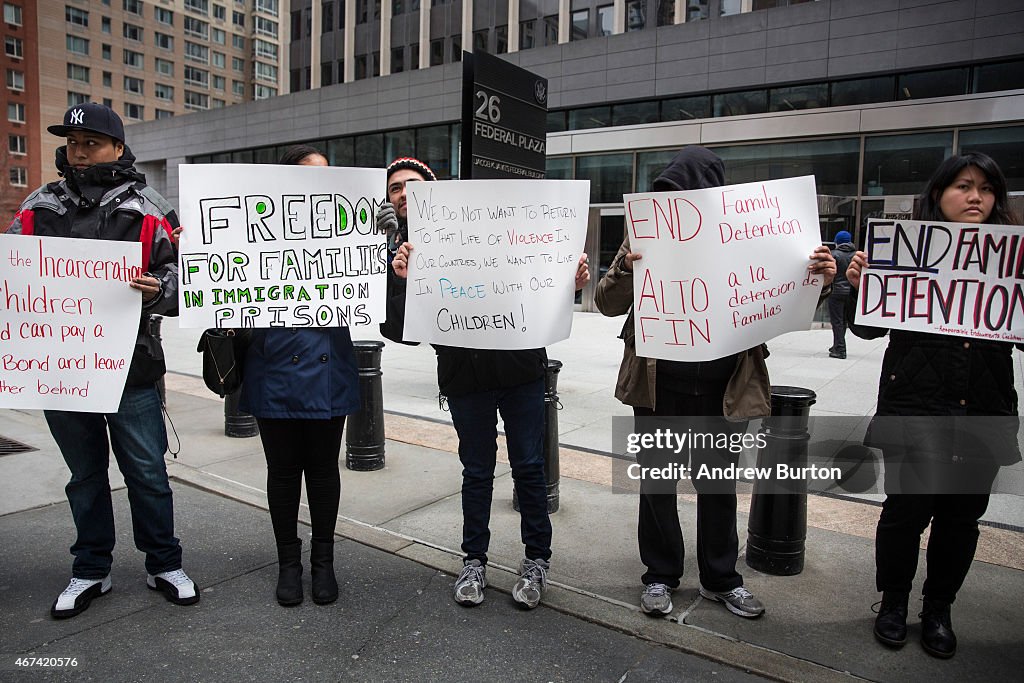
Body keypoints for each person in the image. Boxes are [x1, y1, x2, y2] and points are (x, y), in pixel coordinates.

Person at [595, 146, 836, 620]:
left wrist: (821, 280)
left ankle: (720, 578)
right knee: (658, 487)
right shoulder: (642, 233)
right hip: (657, 386)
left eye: (689, 196)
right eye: (670, 195)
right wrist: (627, 267)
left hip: (724, 386)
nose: (678, 205)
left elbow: (785, 289)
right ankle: (660, 574)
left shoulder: (745, 236)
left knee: (717, 486)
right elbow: (605, 301)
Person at [6, 103, 197, 618]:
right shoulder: (37, 205)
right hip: (60, 371)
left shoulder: (150, 208)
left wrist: (159, 290)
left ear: (117, 147)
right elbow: (12, 277)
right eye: (72, 142)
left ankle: (164, 562)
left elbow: (191, 277)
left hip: (131, 369)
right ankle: (91, 569)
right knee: (84, 476)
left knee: (147, 472)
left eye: (91, 141)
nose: (80, 150)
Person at [378, 157, 589, 609]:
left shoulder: (476, 222)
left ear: (431, 191)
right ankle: (474, 559)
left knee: (529, 467)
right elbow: (398, 330)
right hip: (465, 378)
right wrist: (405, 284)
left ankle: (536, 560)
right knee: (476, 471)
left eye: (409, 184)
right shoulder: (398, 253)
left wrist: (568, 284)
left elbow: (535, 282)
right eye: (394, 187)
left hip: (520, 372)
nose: (401, 192)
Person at [846, 151, 1022, 659]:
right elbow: (868, 326)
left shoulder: (1012, 258)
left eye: (986, 189)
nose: (975, 197)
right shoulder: (905, 251)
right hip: (913, 409)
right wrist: (861, 287)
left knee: (961, 522)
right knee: (905, 515)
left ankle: (939, 608)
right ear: (939, 194)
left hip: (982, 412)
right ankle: (894, 602)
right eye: (964, 186)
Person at [237, 145, 361, 606]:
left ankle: (323, 563)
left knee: (324, 472)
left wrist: (388, 243)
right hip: (273, 367)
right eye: (311, 175)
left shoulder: (351, 227)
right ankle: (288, 563)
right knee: (284, 473)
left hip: (329, 370)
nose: (321, 183)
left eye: (327, 175)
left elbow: (385, 303)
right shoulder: (256, 228)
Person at [827, 230, 855, 359]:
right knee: (843, 321)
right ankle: (837, 345)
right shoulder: (855, 255)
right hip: (850, 292)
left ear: (837, 242)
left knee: (837, 321)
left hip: (836, 291)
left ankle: (840, 349)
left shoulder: (834, 255)